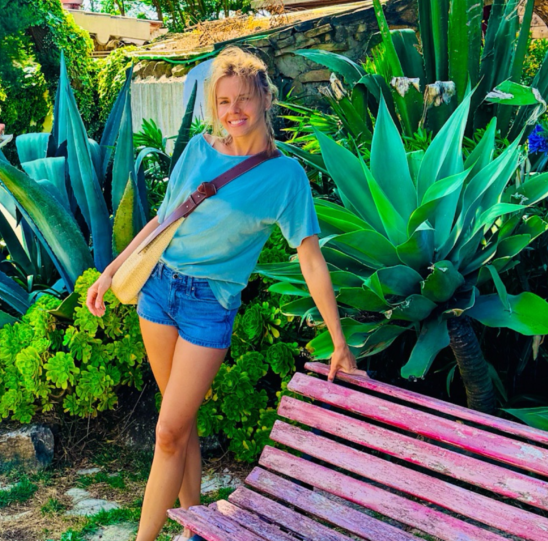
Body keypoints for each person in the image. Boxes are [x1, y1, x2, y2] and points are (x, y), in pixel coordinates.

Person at [85, 46, 358, 541]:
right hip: (159, 290)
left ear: (266, 98)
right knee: (179, 425)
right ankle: (194, 527)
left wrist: (338, 340)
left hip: (208, 306)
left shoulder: (285, 177)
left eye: (244, 99)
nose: (234, 111)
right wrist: (111, 272)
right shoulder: (197, 149)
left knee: (167, 431)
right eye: (224, 101)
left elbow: (310, 257)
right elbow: (162, 220)